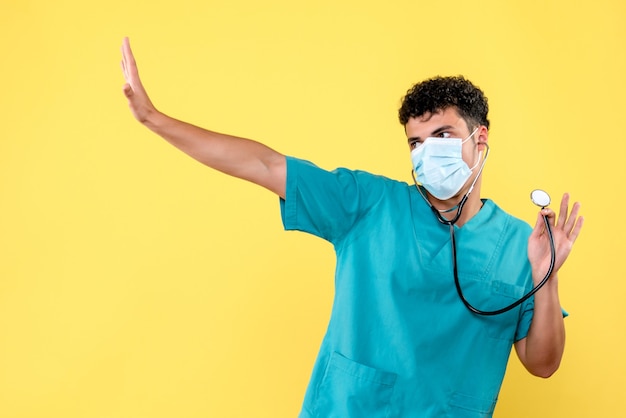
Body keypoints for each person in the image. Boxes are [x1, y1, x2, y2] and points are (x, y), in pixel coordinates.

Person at [120, 37, 583, 417]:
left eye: (441, 135)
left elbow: (542, 364)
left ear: (479, 138)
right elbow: (264, 164)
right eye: (415, 143)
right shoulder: (369, 203)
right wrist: (154, 119)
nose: (427, 153)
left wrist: (548, 277)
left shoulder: (522, 245)